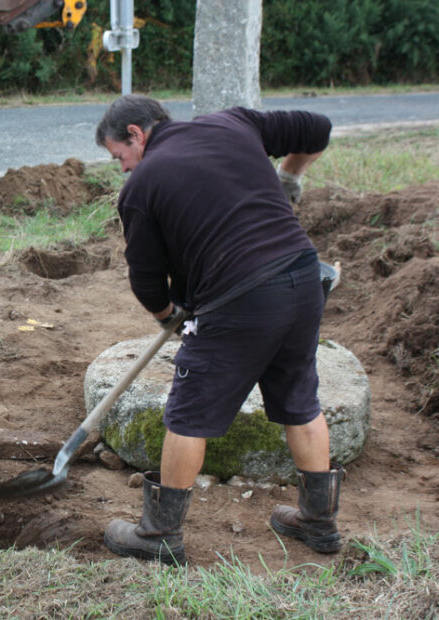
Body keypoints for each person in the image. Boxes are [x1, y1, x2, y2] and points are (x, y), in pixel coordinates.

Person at [95, 95, 343, 565]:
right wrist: (289, 176)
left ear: (135, 134)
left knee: (187, 414)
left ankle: (159, 534)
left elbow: (146, 281)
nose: (123, 170)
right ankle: (318, 522)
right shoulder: (233, 124)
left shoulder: (142, 186)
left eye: (119, 158)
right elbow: (318, 128)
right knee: (299, 400)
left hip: (240, 297)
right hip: (303, 277)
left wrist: (169, 314)